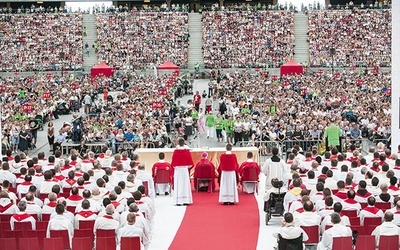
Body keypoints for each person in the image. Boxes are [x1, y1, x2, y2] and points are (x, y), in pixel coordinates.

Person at [171, 138, 194, 206]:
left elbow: (173, 163)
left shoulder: (175, 152)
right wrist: (186, 166)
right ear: (184, 143)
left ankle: (178, 200)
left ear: (178, 143)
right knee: (185, 184)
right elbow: (190, 163)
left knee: (178, 184)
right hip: (184, 170)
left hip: (178, 170)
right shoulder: (186, 152)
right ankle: (186, 200)